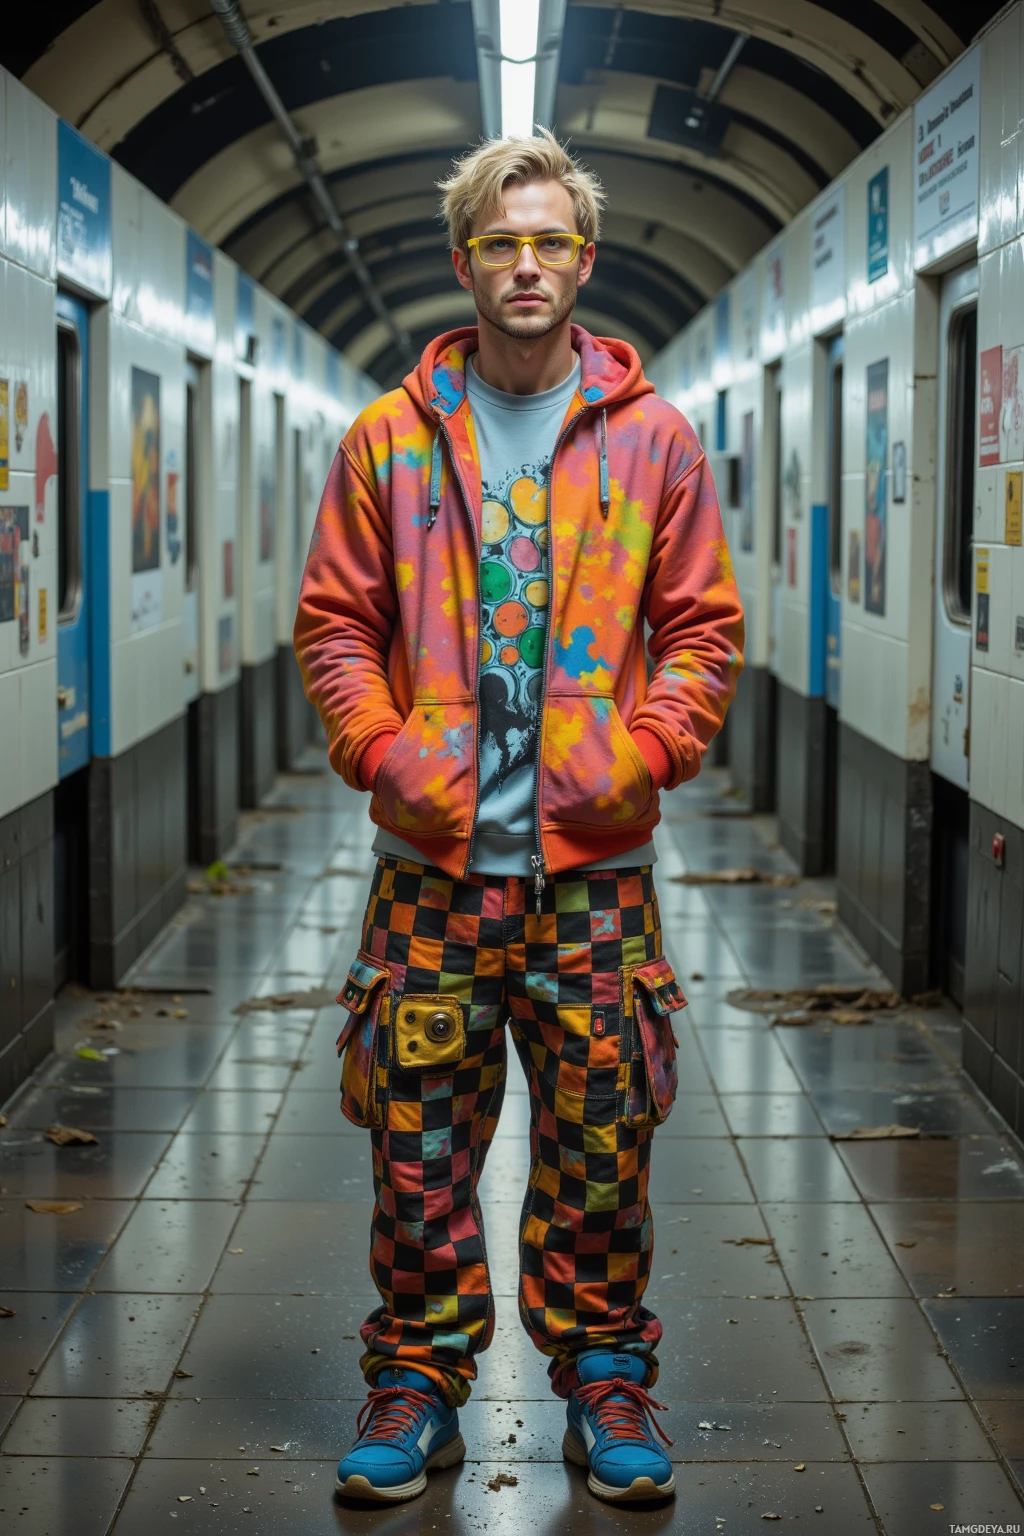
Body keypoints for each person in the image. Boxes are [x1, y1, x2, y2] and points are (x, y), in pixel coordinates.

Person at [294, 128, 744, 1507]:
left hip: (595, 880)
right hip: (428, 874)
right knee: (417, 1146)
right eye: (503, 241)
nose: (528, 263)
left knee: (602, 1144)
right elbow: (335, 626)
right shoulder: (389, 440)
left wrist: (645, 753)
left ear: (585, 260)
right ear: (466, 262)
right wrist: (381, 754)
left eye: (550, 239)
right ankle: (417, 1381)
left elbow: (702, 633)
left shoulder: (654, 442)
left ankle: (607, 1382)